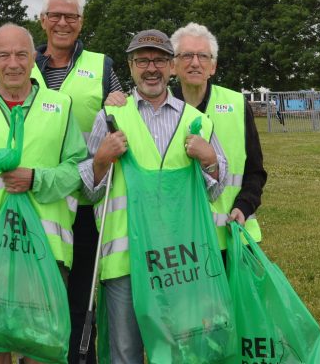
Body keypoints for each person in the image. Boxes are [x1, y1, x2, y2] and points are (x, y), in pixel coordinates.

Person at [0, 0, 123, 362]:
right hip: (16, 211)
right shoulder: (23, 60)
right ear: (43, 20)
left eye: (72, 16)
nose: (63, 22)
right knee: (2, 323)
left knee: (73, 307)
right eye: (55, 15)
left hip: (77, 206)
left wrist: (119, 101)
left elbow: (119, 110)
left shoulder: (101, 66)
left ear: (81, 22)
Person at [81, 29, 227, 363]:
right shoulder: (109, 119)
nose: (151, 68)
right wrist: (102, 159)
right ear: (131, 67)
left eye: (159, 60)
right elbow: (88, 191)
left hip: (180, 262)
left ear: (172, 66)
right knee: (125, 353)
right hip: (125, 262)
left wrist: (210, 160)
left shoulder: (198, 122)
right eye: (142, 60)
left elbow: (217, 189)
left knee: (181, 350)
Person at [0, 23, 87, 364]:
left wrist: (36, 178)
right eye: (4, 55)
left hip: (46, 254)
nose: (13, 63)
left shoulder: (61, 107)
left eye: (22, 54)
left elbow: (77, 170)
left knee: (41, 348)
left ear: (34, 58)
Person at [169, 22, 267, 261]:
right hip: (179, 246)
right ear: (173, 65)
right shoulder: (158, 108)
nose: (195, 62)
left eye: (203, 56)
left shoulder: (236, 105)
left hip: (232, 236)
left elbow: (255, 172)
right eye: (186, 55)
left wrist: (243, 207)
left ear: (212, 66)